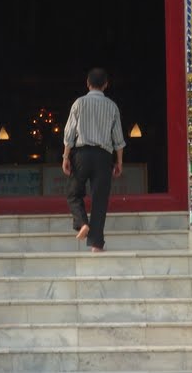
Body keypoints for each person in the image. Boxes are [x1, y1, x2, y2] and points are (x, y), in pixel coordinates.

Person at [62, 67, 126, 252]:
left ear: (87, 84)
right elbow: (118, 140)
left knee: (74, 193)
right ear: (106, 84)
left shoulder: (79, 103)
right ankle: (96, 244)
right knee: (100, 199)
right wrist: (119, 162)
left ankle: (82, 222)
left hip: (81, 155)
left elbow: (69, 134)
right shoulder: (112, 106)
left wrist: (66, 157)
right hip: (104, 156)